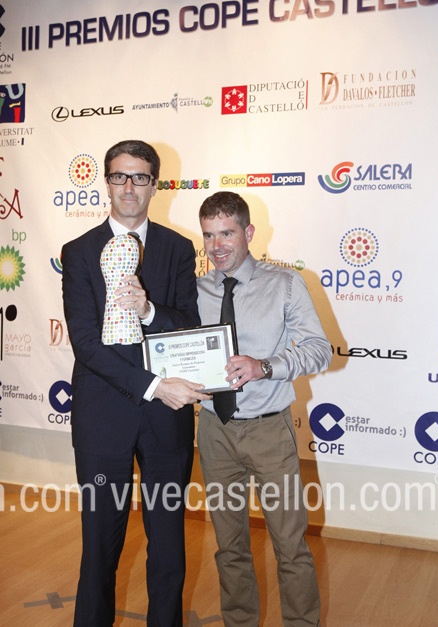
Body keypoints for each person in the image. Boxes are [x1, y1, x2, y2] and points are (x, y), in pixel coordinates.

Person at [61, 139, 211, 627]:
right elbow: (86, 343)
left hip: (165, 419)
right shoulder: (78, 252)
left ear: (154, 184)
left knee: (167, 542)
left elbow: (187, 322)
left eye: (140, 177)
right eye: (119, 176)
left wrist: (148, 311)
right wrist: (152, 386)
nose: (129, 187)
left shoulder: (177, 248)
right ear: (106, 182)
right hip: (103, 416)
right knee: (100, 541)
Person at [196, 191, 332, 627]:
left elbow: (319, 350)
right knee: (229, 547)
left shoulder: (285, 284)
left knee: (290, 546)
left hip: (269, 430)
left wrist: (265, 367)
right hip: (214, 429)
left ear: (248, 232)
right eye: (209, 235)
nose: (217, 246)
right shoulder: (195, 290)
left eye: (227, 233)